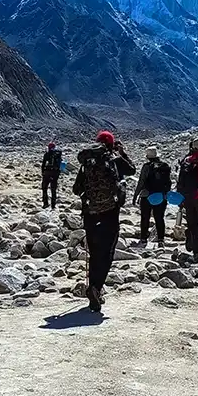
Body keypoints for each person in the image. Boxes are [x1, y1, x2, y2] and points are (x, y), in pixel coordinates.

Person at [72, 130, 134, 312]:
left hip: (90, 213)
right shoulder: (113, 159)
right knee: (106, 253)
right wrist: (121, 153)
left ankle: (93, 290)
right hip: (110, 213)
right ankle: (96, 288)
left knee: (94, 252)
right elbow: (131, 169)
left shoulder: (87, 163)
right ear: (111, 144)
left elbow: (76, 189)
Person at [132, 145, 171, 246]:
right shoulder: (165, 166)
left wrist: (135, 195)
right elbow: (168, 182)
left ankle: (143, 239)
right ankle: (161, 240)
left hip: (146, 195)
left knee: (145, 217)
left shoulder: (146, 167)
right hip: (161, 196)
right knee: (159, 218)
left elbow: (141, 182)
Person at [40, 142, 63, 209]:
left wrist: (43, 172)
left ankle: (45, 203)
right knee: (53, 189)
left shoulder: (46, 154)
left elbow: (43, 164)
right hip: (55, 174)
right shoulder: (58, 155)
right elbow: (60, 164)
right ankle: (53, 205)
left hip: (47, 173)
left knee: (44, 188)